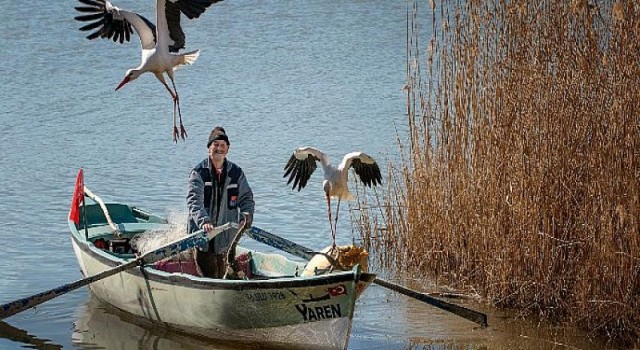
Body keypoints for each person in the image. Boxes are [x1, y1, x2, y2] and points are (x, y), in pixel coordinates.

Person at [187, 126, 255, 278]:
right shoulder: (198, 173)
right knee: (211, 275)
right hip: (204, 237)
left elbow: (247, 198)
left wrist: (247, 214)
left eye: (222, 145)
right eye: (215, 145)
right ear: (209, 149)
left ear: (228, 149)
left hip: (226, 236)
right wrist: (204, 221)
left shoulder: (236, 173)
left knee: (225, 272)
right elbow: (194, 201)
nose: (219, 148)